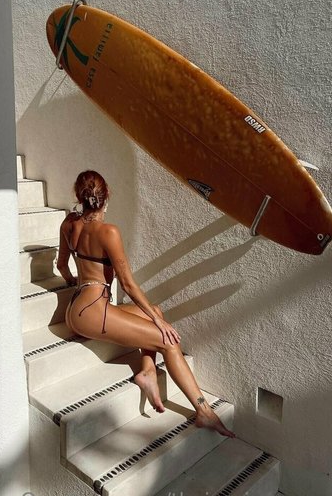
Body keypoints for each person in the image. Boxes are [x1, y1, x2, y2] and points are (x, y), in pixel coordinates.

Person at [57, 170, 236, 438]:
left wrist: (76, 283)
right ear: (107, 196)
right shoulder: (108, 232)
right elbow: (128, 285)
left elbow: (62, 266)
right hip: (94, 313)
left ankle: (148, 373)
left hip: (77, 309)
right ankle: (204, 411)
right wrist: (158, 323)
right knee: (168, 340)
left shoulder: (69, 224)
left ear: (78, 195)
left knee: (156, 310)